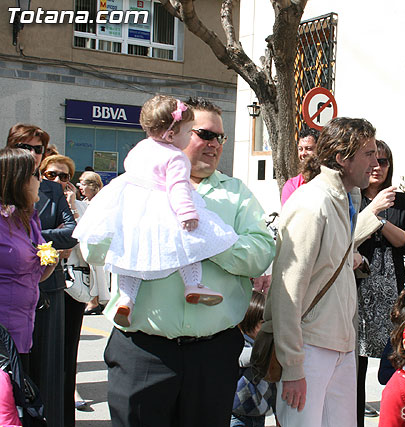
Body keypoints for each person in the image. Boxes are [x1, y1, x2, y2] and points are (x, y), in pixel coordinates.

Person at [97, 96, 275, 427]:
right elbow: (94, 250)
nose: (215, 145)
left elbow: (261, 251)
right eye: (205, 134)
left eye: (220, 137)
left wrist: (204, 242)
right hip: (142, 352)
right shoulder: (133, 187)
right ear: (172, 133)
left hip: (213, 356)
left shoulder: (236, 194)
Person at [73, 95, 239, 327]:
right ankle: (193, 284)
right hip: (163, 209)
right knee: (188, 246)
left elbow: (130, 170)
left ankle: (127, 300)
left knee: (130, 258)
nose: (190, 135)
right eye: (189, 131)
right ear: (171, 135)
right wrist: (187, 212)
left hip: (132, 210)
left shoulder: (140, 148)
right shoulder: (176, 157)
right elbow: (178, 187)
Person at [263, 117, 379, 426]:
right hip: (309, 350)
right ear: (343, 158)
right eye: (368, 153)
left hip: (339, 345)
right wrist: (292, 366)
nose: (376, 161)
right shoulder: (311, 203)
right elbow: (287, 290)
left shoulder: (343, 199)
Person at [6, 123, 77, 427]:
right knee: (11, 379)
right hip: (9, 305)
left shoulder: (46, 195)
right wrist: (35, 244)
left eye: (39, 149)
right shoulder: (5, 191)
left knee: (49, 369)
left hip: (45, 287)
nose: (33, 155)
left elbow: (73, 232)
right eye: (26, 147)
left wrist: (37, 245)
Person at [355, 139, 405, 424]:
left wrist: (382, 221)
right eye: (373, 160)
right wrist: (371, 212)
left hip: (391, 287)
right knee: (353, 364)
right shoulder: (352, 197)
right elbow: (347, 238)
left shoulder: (400, 200)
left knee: (394, 358)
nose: (377, 167)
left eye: (384, 162)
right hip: (357, 287)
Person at [40, 154, 94, 425]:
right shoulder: (37, 200)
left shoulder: (82, 208)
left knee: (67, 355)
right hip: (45, 283)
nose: (59, 181)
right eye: (52, 175)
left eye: (64, 176)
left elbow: (88, 244)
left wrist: (73, 207)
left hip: (74, 286)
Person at [0, 148, 56, 359]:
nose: (41, 180)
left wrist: (50, 261)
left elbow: (35, 272)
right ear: (17, 179)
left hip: (23, 332)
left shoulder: (29, 218)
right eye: (35, 174)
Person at [231, 291, 276, 427]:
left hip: (259, 415)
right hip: (237, 415)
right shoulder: (240, 343)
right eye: (262, 322)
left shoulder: (267, 348)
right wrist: (268, 351)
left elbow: (273, 387)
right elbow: (243, 358)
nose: (267, 327)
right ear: (249, 320)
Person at [75, 171, 110, 315]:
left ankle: (95, 301)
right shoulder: (84, 203)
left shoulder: (101, 201)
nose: (80, 188)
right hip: (86, 243)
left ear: (92, 186)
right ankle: (93, 300)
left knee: (97, 272)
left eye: (82, 184)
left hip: (97, 243)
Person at [280, 128, 318, 205]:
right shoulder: (292, 185)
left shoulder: (328, 181)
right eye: (300, 149)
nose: (303, 153)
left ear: (319, 150)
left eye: (308, 149)